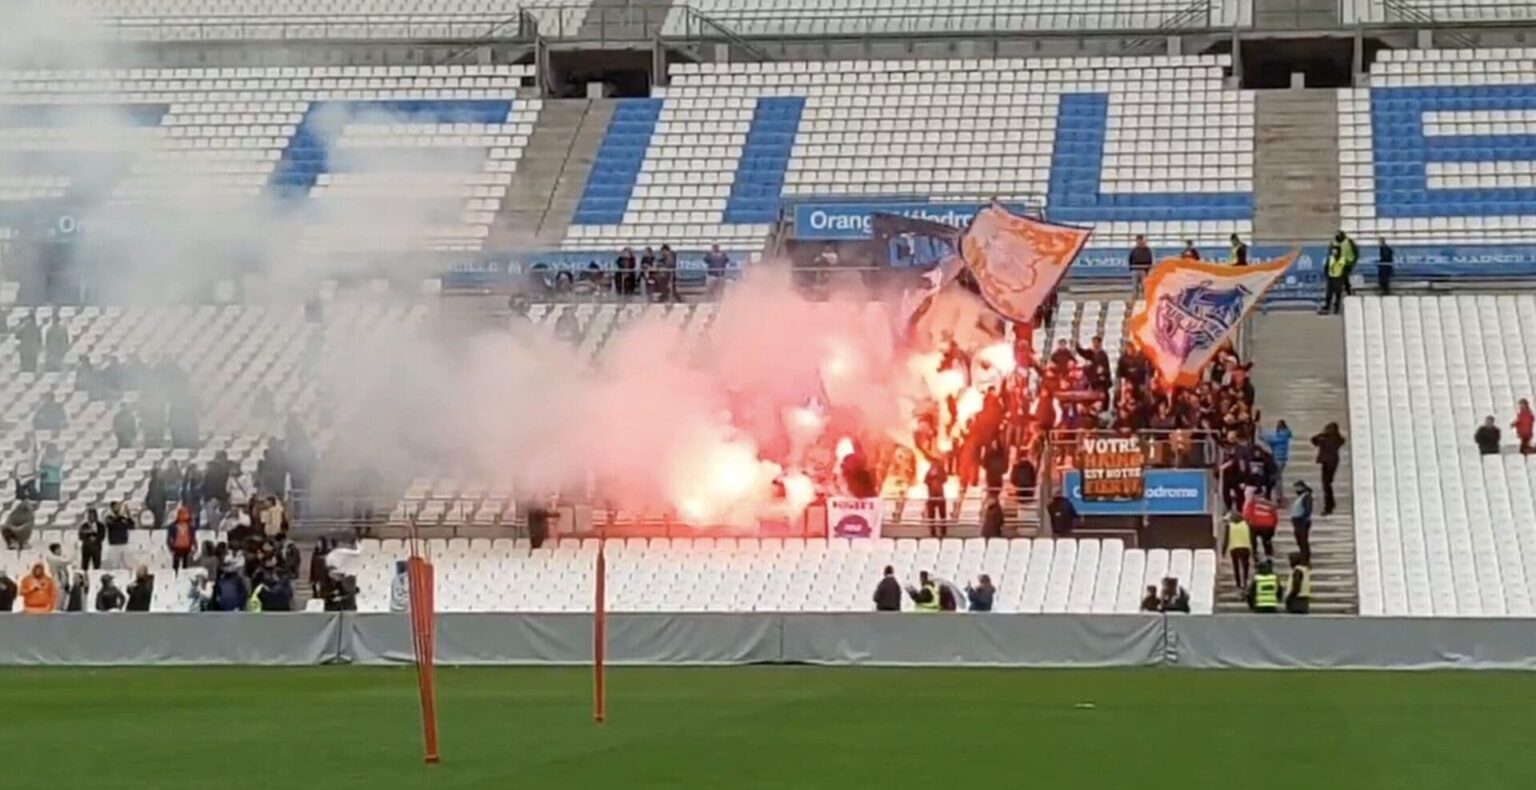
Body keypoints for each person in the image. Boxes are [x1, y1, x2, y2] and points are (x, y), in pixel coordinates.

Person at [1311, 423, 1346, 516]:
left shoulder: (1325, 439)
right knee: (1327, 484)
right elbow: (1342, 440)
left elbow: (1314, 440)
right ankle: (1331, 503)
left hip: (1327, 463)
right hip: (1332, 462)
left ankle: (1328, 506)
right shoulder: (1337, 439)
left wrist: (1322, 434)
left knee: (1326, 485)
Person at [1242, 486, 1279, 561]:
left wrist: (1248, 522)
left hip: (1255, 525)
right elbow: (1275, 517)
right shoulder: (1270, 504)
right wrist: (1273, 528)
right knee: (1267, 541)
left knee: (1253, 540)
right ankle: (1269, 556)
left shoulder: (1252, 503)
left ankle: (1255, 554)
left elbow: (1247, 515)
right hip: (1268, 526)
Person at [1225, 510, 1252, 593]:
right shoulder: (1246, 524)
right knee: (1245, 565)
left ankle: (1238, 584)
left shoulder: (1230, 526)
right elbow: (1250, 535)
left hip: (1234, 548)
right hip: (1245, 547)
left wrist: (1223, 551)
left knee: (1236, 567)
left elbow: (1226, 539)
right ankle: (1245, 580)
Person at [1260, 420, 1292, 490]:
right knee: (1278, 477)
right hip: (1282, 459)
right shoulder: (1285, 436)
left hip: (1278, 459)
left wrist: (1260, 430)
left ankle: (1278, 496)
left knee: (1277, 478)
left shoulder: (1280, 437)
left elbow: (1269, 439)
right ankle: (1278, 495)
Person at [104, 501, 134, 569]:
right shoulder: (109, 517)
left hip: (124, 544)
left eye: (119, 506)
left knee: (128, 564)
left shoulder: (123, 518)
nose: (118, 508)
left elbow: (131, 525)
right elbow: (110, 523)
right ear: (112, 508)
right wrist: (119, 516)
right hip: (114, 545)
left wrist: (128, 514)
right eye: (116, 507)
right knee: (114, 565)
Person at [166, 505, 196, 573]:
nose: (185, 515)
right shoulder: (172, 526)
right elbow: (169, 539)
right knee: (175, 566)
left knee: (186, 566)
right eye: (183, 513)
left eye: (186, 513)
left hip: (187, 549)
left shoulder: (190, 527)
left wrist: (194, 547)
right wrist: (171, 547)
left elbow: (193, 537)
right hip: (176, 549)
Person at [1321, 239, 1347, 315]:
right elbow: (1326, 267)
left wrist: (1342, 277)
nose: (1333, 251)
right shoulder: (1330, 258)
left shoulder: (1342, 259)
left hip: (1338, 279)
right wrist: (1327, 276)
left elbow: (1344, 269)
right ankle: (1327, 307)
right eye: (1333, 250)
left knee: (1338, 295)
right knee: (1329, 294)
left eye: (1334, 250)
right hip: (1331, 278)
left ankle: (1336, 308)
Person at [1291, 480, 1315, 561]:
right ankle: (1303, 555)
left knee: (1303, 540)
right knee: (1300, 539)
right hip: (1298, 521)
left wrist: (1304, 518)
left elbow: (1308, 509)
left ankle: (1305, 557)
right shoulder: (1301, 496)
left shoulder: (1306, 496)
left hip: (1301, 521)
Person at [923, 460, 947, 538]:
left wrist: (937, 476)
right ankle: (932, 531)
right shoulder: (928, 473)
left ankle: (943, 531)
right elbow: (925, 481)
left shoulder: (941, 471)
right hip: (932, 496)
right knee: (931, 515)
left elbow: (945, 479)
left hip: (940, 496)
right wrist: (932, 477)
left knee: (942, 515)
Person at [44, 543, 70, 609]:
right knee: (58, 602)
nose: (60, 550)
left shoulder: (59, 558)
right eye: (59, 549)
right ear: (55, 550)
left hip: (63, 582)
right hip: (58, 582)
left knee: (63, 602)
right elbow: (66, 562)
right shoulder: (52, 558)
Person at [78, 507, 104, 571]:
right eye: (90, 515)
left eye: (92, 515)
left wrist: (95, 538)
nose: (91, 517)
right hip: (86, 548)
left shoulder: (100, 525)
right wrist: (88, 537)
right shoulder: (84, 525)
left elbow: (102, 536)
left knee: (97, 566)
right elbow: (80, 536)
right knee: (84, 566)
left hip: (96, 548)